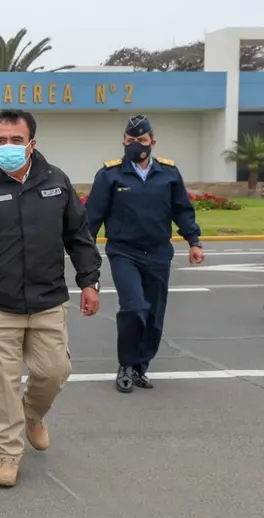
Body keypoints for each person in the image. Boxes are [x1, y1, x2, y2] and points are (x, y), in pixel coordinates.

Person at [0, 109, 103, 487]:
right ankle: (8, 454)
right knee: (3, 383)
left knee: (54, 371)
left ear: (32, 143)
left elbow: (78, 236)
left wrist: (90, 281)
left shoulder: (56, 182)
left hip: (48, 300)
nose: (8, 147)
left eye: (16, 140)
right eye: (1, 141)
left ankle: (33, 415)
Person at [85, 115, 205, 394]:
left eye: (142, 140)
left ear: (152, 142)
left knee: (153, 315)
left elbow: (182, 210)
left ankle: (141, 367)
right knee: (134, 307)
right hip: (124, 252)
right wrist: (84, 252)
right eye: (131, 141)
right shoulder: (110, 175)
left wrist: (194, 241)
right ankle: (126, 365)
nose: (136, 145)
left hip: (159, 252)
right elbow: (92, 217)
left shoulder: (169, 173)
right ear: (123, 142)